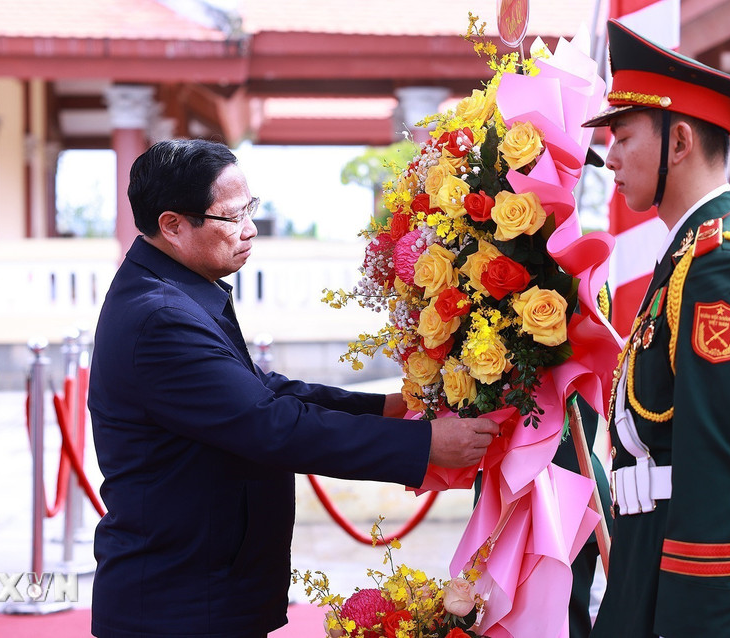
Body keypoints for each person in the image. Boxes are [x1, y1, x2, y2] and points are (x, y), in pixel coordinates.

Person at [88, 138, 499, 638]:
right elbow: (270, 425)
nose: (250, 228)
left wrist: (391, 408)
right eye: (232, 216)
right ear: (172, 225)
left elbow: (267, 392)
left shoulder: (174, 292)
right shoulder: (160, 317)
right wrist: (425, 444)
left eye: (251, 209)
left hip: (203, 581)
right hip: (179, 598)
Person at [581, 20, 730, 637]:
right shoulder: (689, 256)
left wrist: (691, 622)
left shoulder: (720, 266)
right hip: (653, 561)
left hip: (700, 587)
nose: (610, 157)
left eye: (623, 136)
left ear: (678, 142)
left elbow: (717, 462)